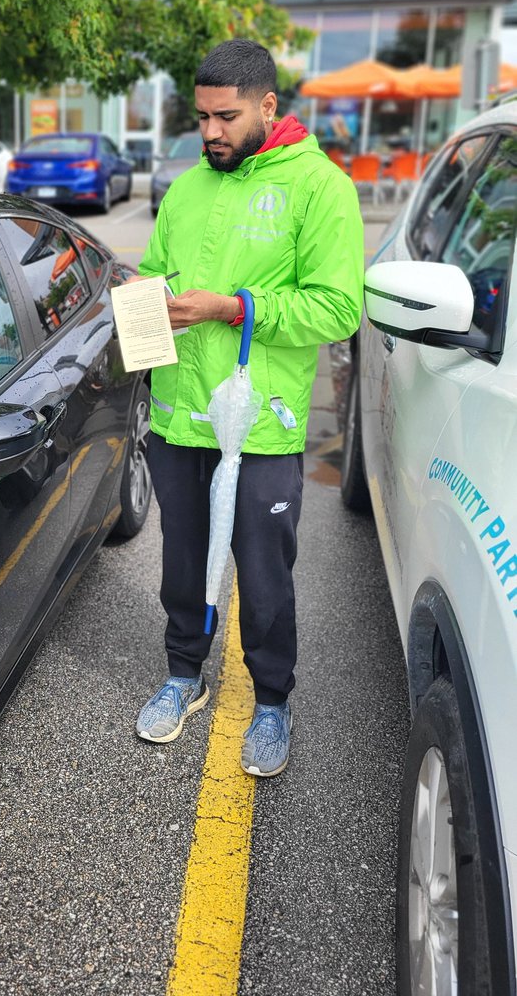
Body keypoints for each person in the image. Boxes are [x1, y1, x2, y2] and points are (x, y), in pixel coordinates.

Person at [134, 38, 363, 777]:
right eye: (201, 118)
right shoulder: (188, 187)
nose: (210, 134)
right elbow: (150, 275)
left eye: (226, 118)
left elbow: (337, 310)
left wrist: (234, 308)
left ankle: (271, 701)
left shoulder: (320, 189)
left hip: (259, 426)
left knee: (263, 572)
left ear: (269, 105)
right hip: (178, 418)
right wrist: (137, 324)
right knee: (182, 558)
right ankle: (183, 675)